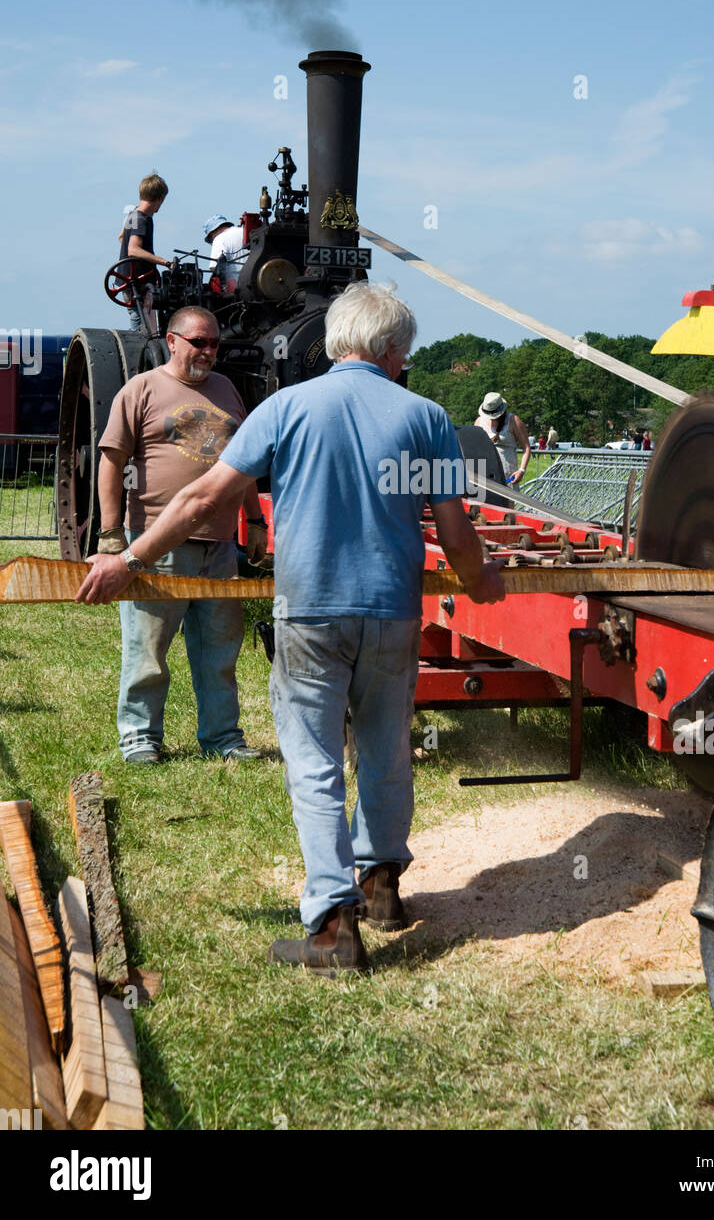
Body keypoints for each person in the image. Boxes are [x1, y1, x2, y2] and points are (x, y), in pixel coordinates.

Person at [76, 282, 505, 974]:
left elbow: (201, 498)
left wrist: (128, 558)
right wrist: (481, 582)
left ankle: (334, 929)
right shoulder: (426, 418)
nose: (406, 363)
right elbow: (456, 535)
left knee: (313, 763)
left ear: (338, 341)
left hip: (309, 612)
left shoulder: (285, 407)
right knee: (387, 748)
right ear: (390, 349)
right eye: (406, 353)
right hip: (392, 611)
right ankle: (382, 887)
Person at [94, 305, 268, 764]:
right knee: (148, 650)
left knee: (219, 651)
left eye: (214, 344)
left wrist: (253, 521)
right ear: (172, 342)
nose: (209, 352)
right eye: (199, 342)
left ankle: (223, 739)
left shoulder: (227, 389)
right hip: (155, 544)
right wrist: (112, 536)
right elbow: (110, 463)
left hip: (220, 548)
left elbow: (244, 464)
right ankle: (140, 740)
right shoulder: (142, 390)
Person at [118, 173, 172, 332]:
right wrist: (164, 262)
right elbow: (133, 249)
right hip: (135, 284)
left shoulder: (133, 214)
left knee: (139, 322)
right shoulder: (142, 219)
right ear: (160, 198)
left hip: (128, 280)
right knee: (140, 329)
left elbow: (122, 238)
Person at [475, 392, 531, 485]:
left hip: (509, 476)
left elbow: (526, 447)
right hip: (486, 475)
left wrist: (521, 470)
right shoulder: (479, 421)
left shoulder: (513, 420)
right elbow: (476, 449)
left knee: (507, 499)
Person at [204, 215, 248, 297]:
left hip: (237, 290)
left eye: (211, 239)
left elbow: (214, 268)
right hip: (260, 283)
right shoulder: (246, 231)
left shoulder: (219, 239)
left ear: (212, 233)